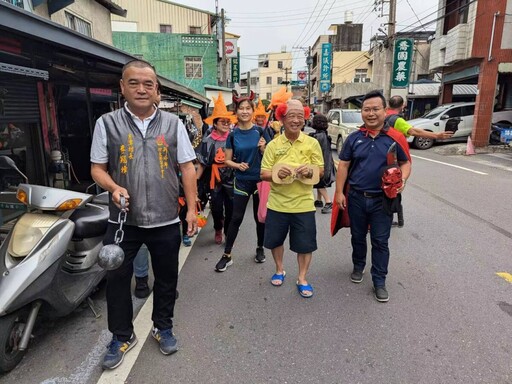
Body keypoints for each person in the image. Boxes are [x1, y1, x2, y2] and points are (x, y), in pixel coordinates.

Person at [90, 60, 197, 369]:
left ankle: (162, 327)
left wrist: (191, 209)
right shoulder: (107, 123)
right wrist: (112, 186)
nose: (141, 88)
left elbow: (188, 167)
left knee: (167, 278)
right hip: (123, 221)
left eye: (147, 84)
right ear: (122, 88)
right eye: (133, 83)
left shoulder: (173, 124)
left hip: (166, 219)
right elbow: (97, 168)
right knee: (117, 280)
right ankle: (122, 336)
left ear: (156, 91)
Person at [334, 90, 411, 303]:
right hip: (357, 197)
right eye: (366, 109)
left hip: (383, 200)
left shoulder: (395, 138)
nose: (371, 113)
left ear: (385, 111)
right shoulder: (354, 138)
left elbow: (405, 162)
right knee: (357, 236)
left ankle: (379, 281)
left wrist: (402, 180)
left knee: (380, 241)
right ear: (362, 112)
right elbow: (343, 165)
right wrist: (339, 192)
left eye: (375, 109)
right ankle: (358, 266)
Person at [260, 99, 324, 298]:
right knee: (275, 241)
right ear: (281, 118)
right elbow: (263, 173)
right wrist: (277, 173)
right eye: (291, 116)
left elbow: (320, 171)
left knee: (305, 245)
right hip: (277, 204)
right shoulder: (272, 145)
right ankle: (280, 269)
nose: (296, 120)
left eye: (300, 116)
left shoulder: (312, 143)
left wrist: (309, 171)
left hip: (304, 204)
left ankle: (302, 278)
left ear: (305, 119)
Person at [214, 91, 271, 272]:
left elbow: (271, 157)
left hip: (260, 182)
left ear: (253, 111)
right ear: (236, 112)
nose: (245, 111)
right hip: (241, 181)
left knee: (259, 218)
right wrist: (238, 166)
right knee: (236, 218)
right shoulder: (233, 134)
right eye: (241, 109)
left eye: (248, 108)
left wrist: (263, 148)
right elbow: (227, 160)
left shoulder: (261, 131)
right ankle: (227, 254)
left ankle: (260, 248)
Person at [196, 92, 236, 245]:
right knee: (217, 208)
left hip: (231, 176)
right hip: (215, 179)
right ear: (216, 123)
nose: (226, 124)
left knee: (231, 208)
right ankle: (218, 227)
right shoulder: (207, 141)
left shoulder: (234, 138)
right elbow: (202, 163)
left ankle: (227, 232)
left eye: (228, 121)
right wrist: (194, 182)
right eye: (223, 121)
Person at [387, 95, 454, 140]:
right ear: (402, 105)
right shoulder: (397, 120)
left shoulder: (383, 115)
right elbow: (414, 131)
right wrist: (437, 135)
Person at [309, 113, 335, 214]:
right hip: (327, 162)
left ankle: (328, 202)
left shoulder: (317, 136)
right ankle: (319, 200)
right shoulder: (324, 134)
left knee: (319, 182)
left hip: (321, 163)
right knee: (318, 182)